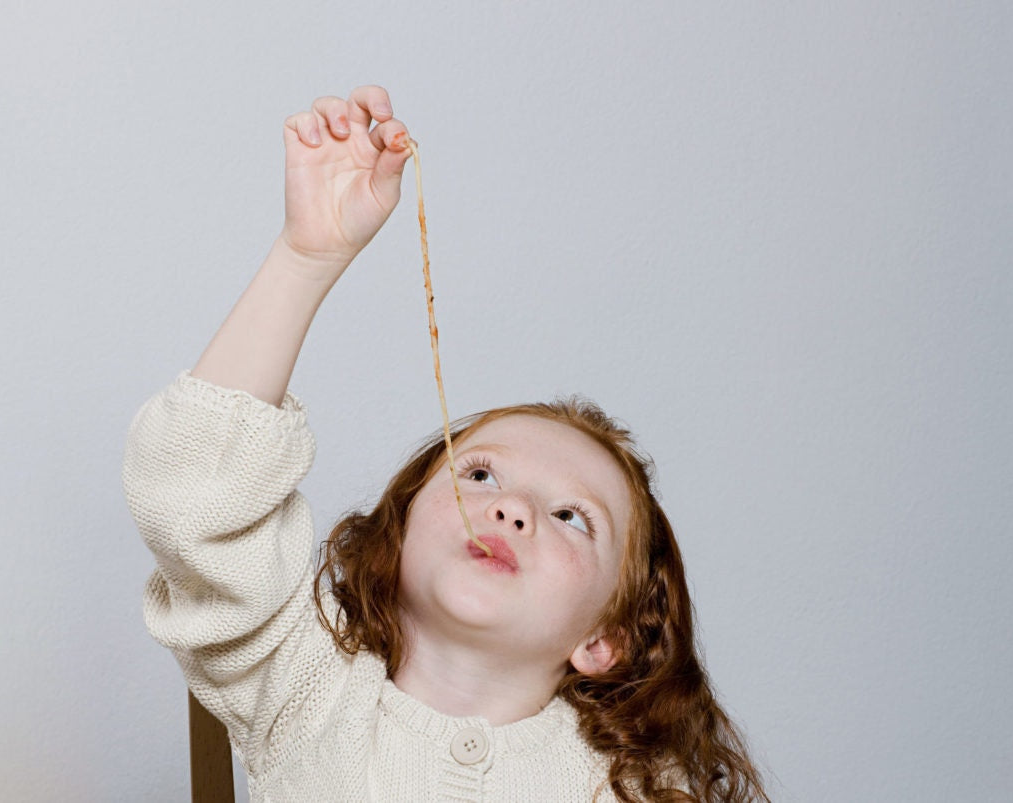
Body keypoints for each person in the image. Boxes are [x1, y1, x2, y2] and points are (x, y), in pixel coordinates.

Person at [123, 85, 768, 802]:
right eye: (482, 474)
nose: (513, 508)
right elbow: (194, 497)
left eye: (569, 517)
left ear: (604, 638)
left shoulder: (639, 788)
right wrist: (306, 256)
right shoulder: (307, 690)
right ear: (394, 536)